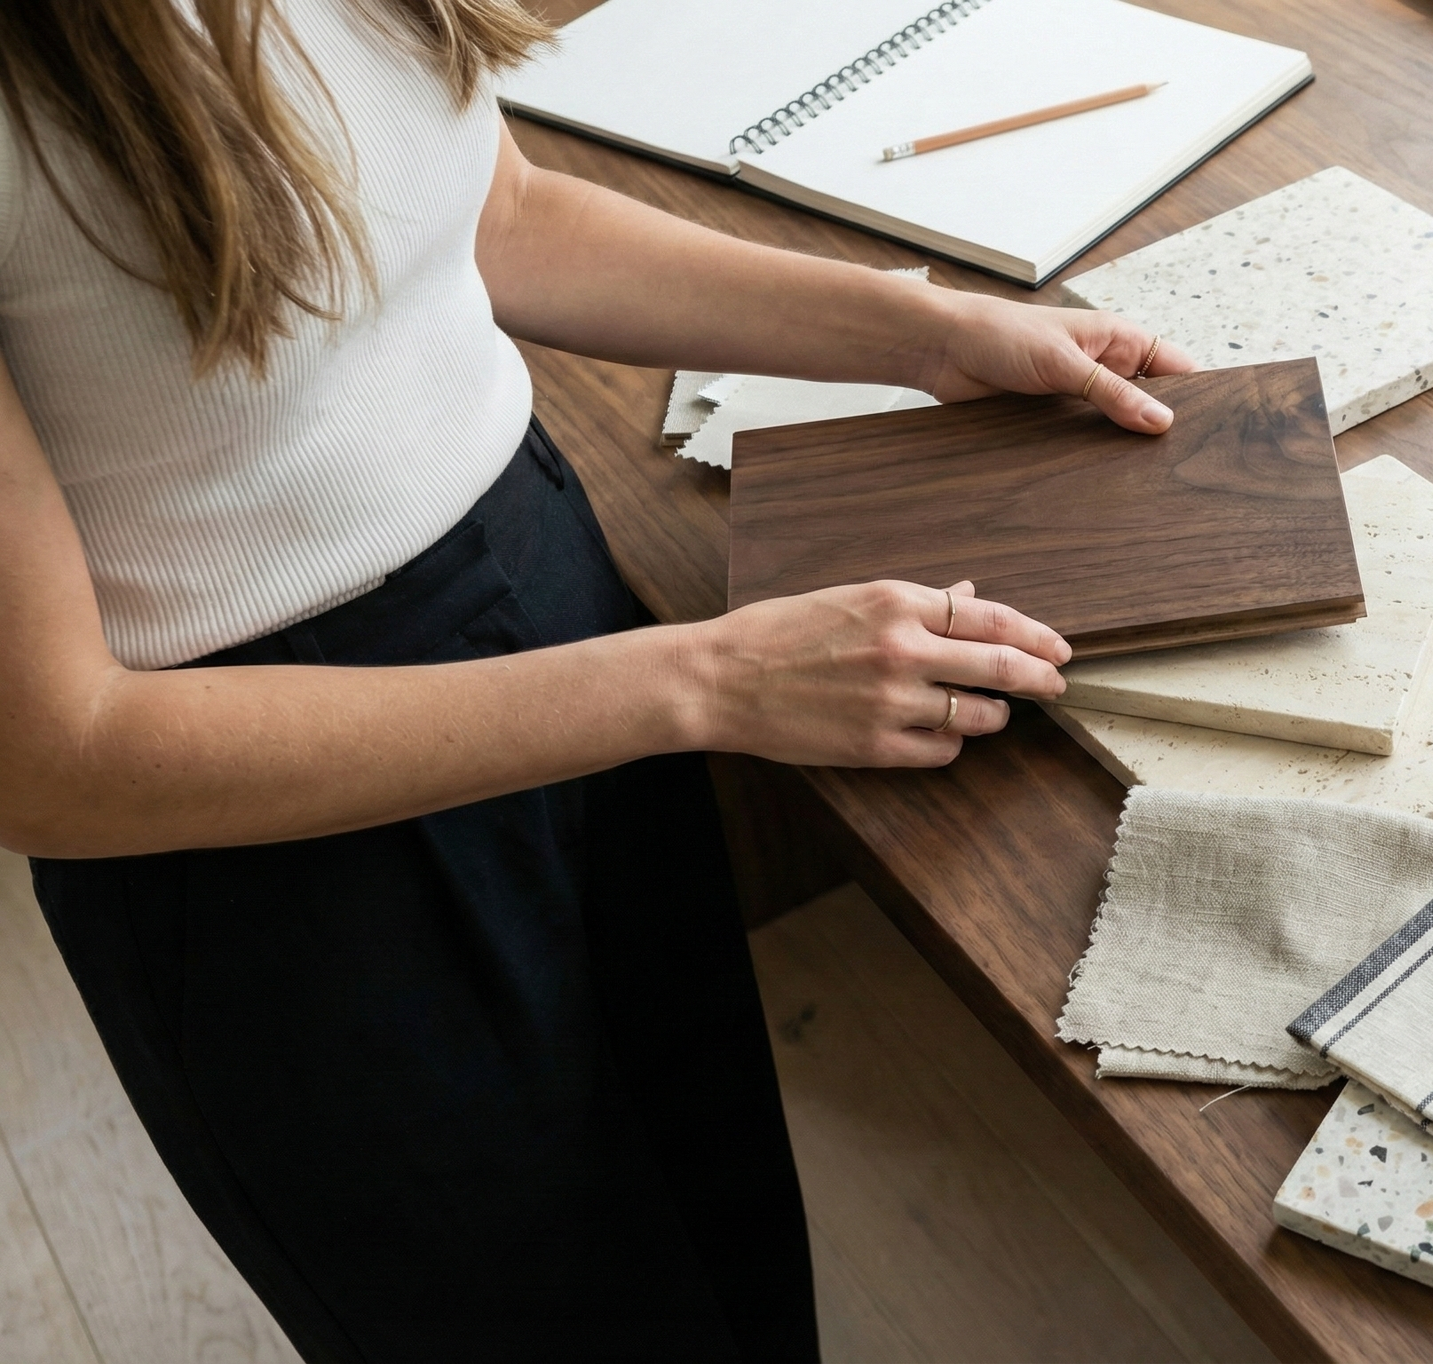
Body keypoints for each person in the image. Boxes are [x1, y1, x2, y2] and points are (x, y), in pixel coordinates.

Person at [0, 1, 1195, 1358]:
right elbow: (53, 756)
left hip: (553, 607)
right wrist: (706, 684)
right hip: (269, 822)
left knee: (721, 1237)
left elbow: (498, 217)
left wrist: (924, 337)